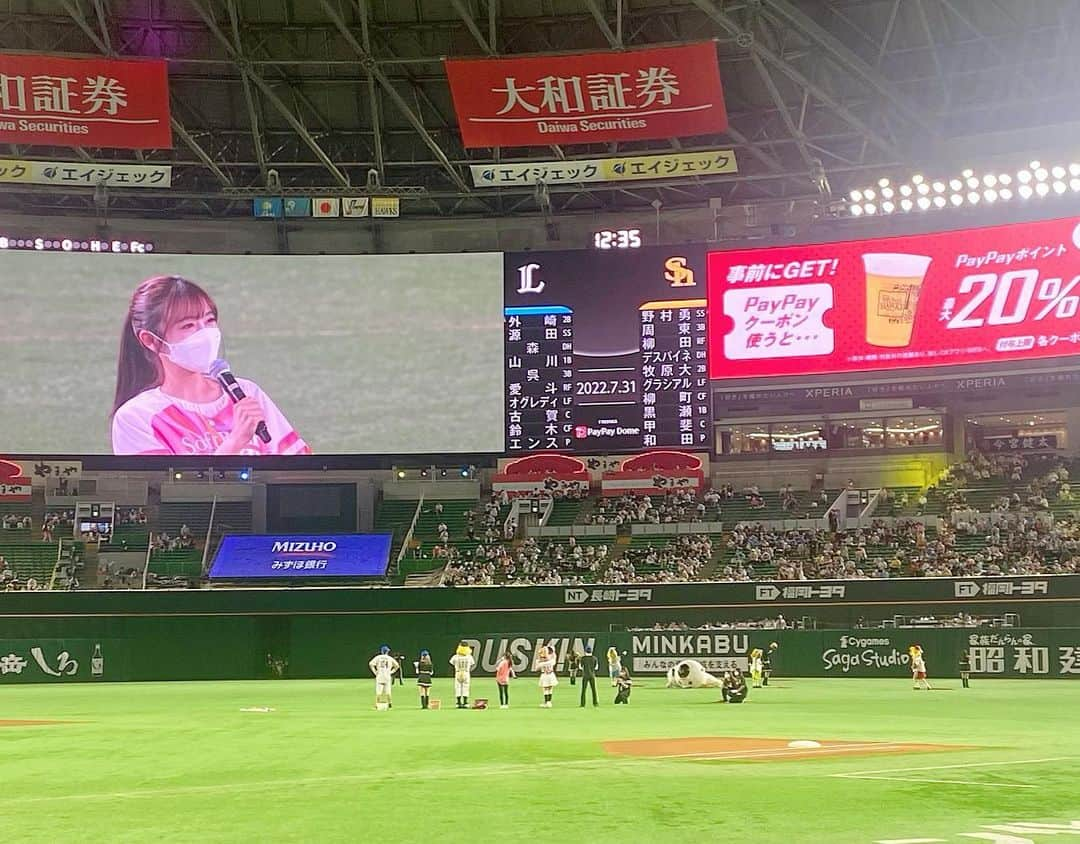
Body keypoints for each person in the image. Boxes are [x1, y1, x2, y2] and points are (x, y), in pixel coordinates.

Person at [111, 275, 310, 456]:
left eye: (209, 321)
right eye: (188, 325)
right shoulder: (138, 417)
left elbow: (299, 465)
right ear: (150, 340)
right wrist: (235, 442)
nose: (204, 334)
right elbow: (167, 492)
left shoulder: (246, 393)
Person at [369, 645, 399, 711]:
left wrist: (375, 672)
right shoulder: (389, 658)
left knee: (378, 692)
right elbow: (397, 666)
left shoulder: (378, 657)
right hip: (387, 676)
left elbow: (371, 664)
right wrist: (391, 671)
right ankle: (390, 704)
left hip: (379, 676)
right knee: (388, 691)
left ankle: (376, 705)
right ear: (387, 652)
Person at [450, 642, 476, 709]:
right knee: (466, 687)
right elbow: (472, 663)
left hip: (458, 672)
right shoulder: (469, 657)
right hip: (466, 672)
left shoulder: (455, 656)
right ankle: (465, 702)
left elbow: (451, 662)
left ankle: (458, 703)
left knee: (458, 687)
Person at [535, 644, 558, 708]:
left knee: (545, 689)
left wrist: (540, 661)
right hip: (550, 674)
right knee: (550, 688)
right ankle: (548, 702)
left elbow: (536, 668)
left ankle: (547, 702)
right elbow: (553, 656)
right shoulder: (552, 660)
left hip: (545, 675)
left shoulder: (543, 662)